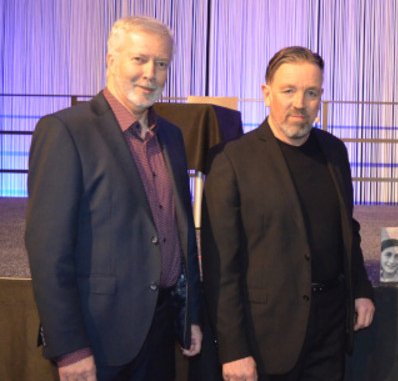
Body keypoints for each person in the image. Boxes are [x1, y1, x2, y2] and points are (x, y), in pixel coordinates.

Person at [25, 16, 202, 381]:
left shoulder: (171, 136)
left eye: (162, 63)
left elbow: (181, 235)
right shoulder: (65, 131)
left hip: (160, 330)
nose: (151, 73)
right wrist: (70, 347)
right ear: (110, 61)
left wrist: (189, 315)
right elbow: (47, 250)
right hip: (98, 338)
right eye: (139, 59)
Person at [202, 46, 375, 381]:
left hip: (330, 328)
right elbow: (221, 266)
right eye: (289, 91)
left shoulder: (334, 151)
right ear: (266, 94)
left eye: (311, 92)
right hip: (267, 337)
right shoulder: (231, 161)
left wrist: (361, 288)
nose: (300, 102)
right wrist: (233, 349)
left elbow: (346, 229)